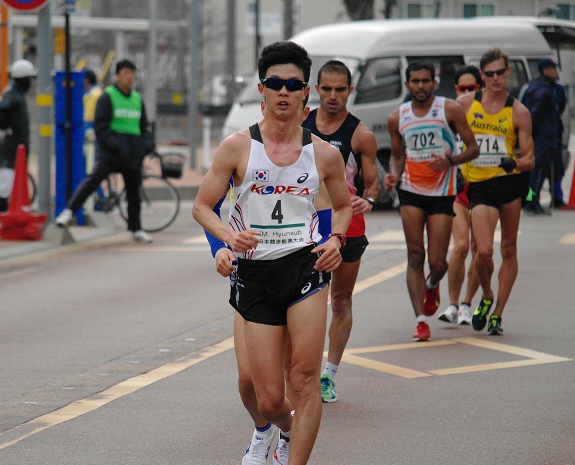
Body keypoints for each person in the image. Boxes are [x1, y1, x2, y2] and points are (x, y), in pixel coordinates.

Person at [193, 41, 352, 465]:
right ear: (262, 90)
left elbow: (341, 206)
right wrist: (226, 241)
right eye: (275, 83)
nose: (284, 92)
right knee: (265, 396)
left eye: (293, 84)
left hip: (304, 266)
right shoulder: (237, 148)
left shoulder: (323, 154)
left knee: (303, 378)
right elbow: (202, 206)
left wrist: (335, 240)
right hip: (255, 273)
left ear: (306, 93)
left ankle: (294, 456)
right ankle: (277, 430)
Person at [300, 60, 379, 403]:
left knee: (341, 300)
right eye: (327, 89)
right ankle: (302, 369)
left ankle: (328, 375)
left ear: (350, 90)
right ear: (316, 89)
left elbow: (372, 184)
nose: (333, 96)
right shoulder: (300, 124)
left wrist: (369, 199)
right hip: (304, 224)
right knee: (305, 301)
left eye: (340, 89)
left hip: (347, 225)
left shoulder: (361, 134)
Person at [384, 62, 479, 342]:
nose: (421, 86)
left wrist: (449, 161)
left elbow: (473, 148)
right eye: (415, 81)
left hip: (442, 193)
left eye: (426, 81)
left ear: (434, 82)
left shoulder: (449, 109)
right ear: (407, 85)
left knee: (438, 261)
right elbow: (398, 155)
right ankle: (421, 320)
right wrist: (393, 174)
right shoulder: (397, 117)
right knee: (415, 255)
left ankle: (432, 282)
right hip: (411, 191)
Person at [457, 48, 534, 335]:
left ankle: (498, 314)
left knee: (509, 248)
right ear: (481, 76)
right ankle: (487, 295)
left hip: (510, 185)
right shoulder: (466, 104)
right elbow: (445, 131)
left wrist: (514, 161)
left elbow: (530, 159)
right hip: (479, 185)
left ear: (508, 72)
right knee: (484, 251)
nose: (495, 78)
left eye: (500, 72)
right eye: (489, 74)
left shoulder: (518, 111)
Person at [56, 59, 155, 243]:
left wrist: (146, 146)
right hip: (112, 154)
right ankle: (68, 212)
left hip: (133, 155)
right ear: (117, 76)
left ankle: (136, 229)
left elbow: (144, 127)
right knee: (92, 181)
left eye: (132, 73)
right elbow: (101, 127)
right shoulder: (107, 96)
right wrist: (117, 146)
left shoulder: (137, 99)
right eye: (126, 73)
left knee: (134, 193)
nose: (130, 77)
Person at [438, 65, 483, 325]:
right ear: (456, 90)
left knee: (479, 249)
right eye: (462, 89)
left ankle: (468, 303)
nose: (466, 93)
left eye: (472, 89)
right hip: (456, 188)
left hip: (482, 188)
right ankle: (453, 305)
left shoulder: (486, 115)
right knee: (462, 246)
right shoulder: (448, 115)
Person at [0, 59, 36, 213]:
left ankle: (4, 212)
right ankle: (1, 213)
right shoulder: (14, 95)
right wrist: (4, 127)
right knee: (6, 185)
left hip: (13, 151)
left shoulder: (16, 94)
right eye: (29, 78)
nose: (31, 82)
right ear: (23, 79)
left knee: (10, 185)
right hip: (9, 152)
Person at [521, 58, 566, 215]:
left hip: (543, 137)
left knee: (537, 173)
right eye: (553, 69)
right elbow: (535, 115)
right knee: (537, 173)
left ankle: (532, 200)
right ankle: (532, 201)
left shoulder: (540, 87)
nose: (555, 72)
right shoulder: (543, 90)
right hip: (542, 138)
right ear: (546, 70)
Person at [81, 68, 108, 210]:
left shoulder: (95, 94)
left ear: (86, 80)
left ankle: (101, 200)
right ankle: (100, 199)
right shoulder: (90, 93)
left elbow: (91, 119)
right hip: (90, 135)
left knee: (90, 169)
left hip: (92, 137)